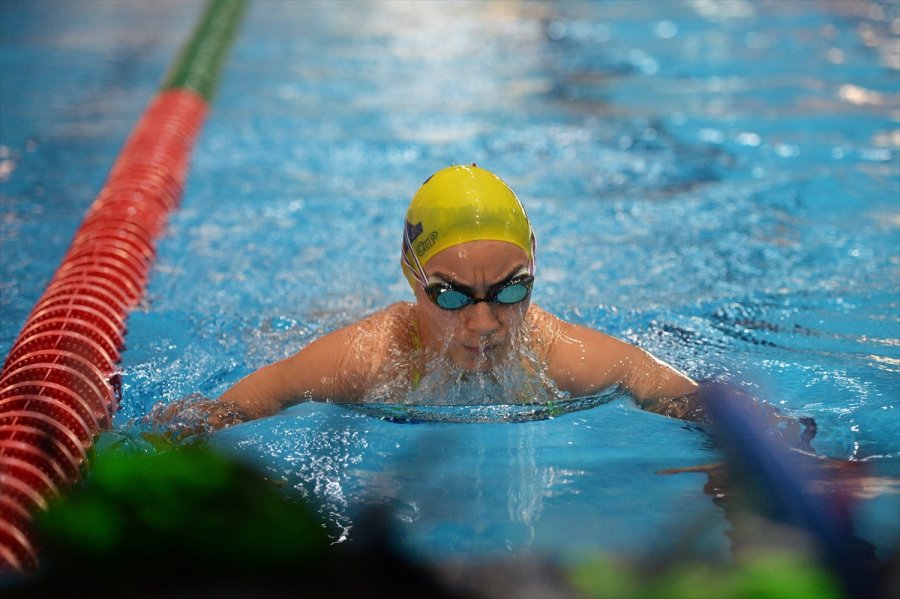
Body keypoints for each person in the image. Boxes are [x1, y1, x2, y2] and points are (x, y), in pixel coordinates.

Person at [160, 164, 803, 441]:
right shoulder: (366, 357)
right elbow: (251, 399)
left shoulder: (562, 356)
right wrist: (191, 424)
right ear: (413, 283)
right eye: (449, 296)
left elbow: (677, 393)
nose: (485, 322)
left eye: (512, 289)